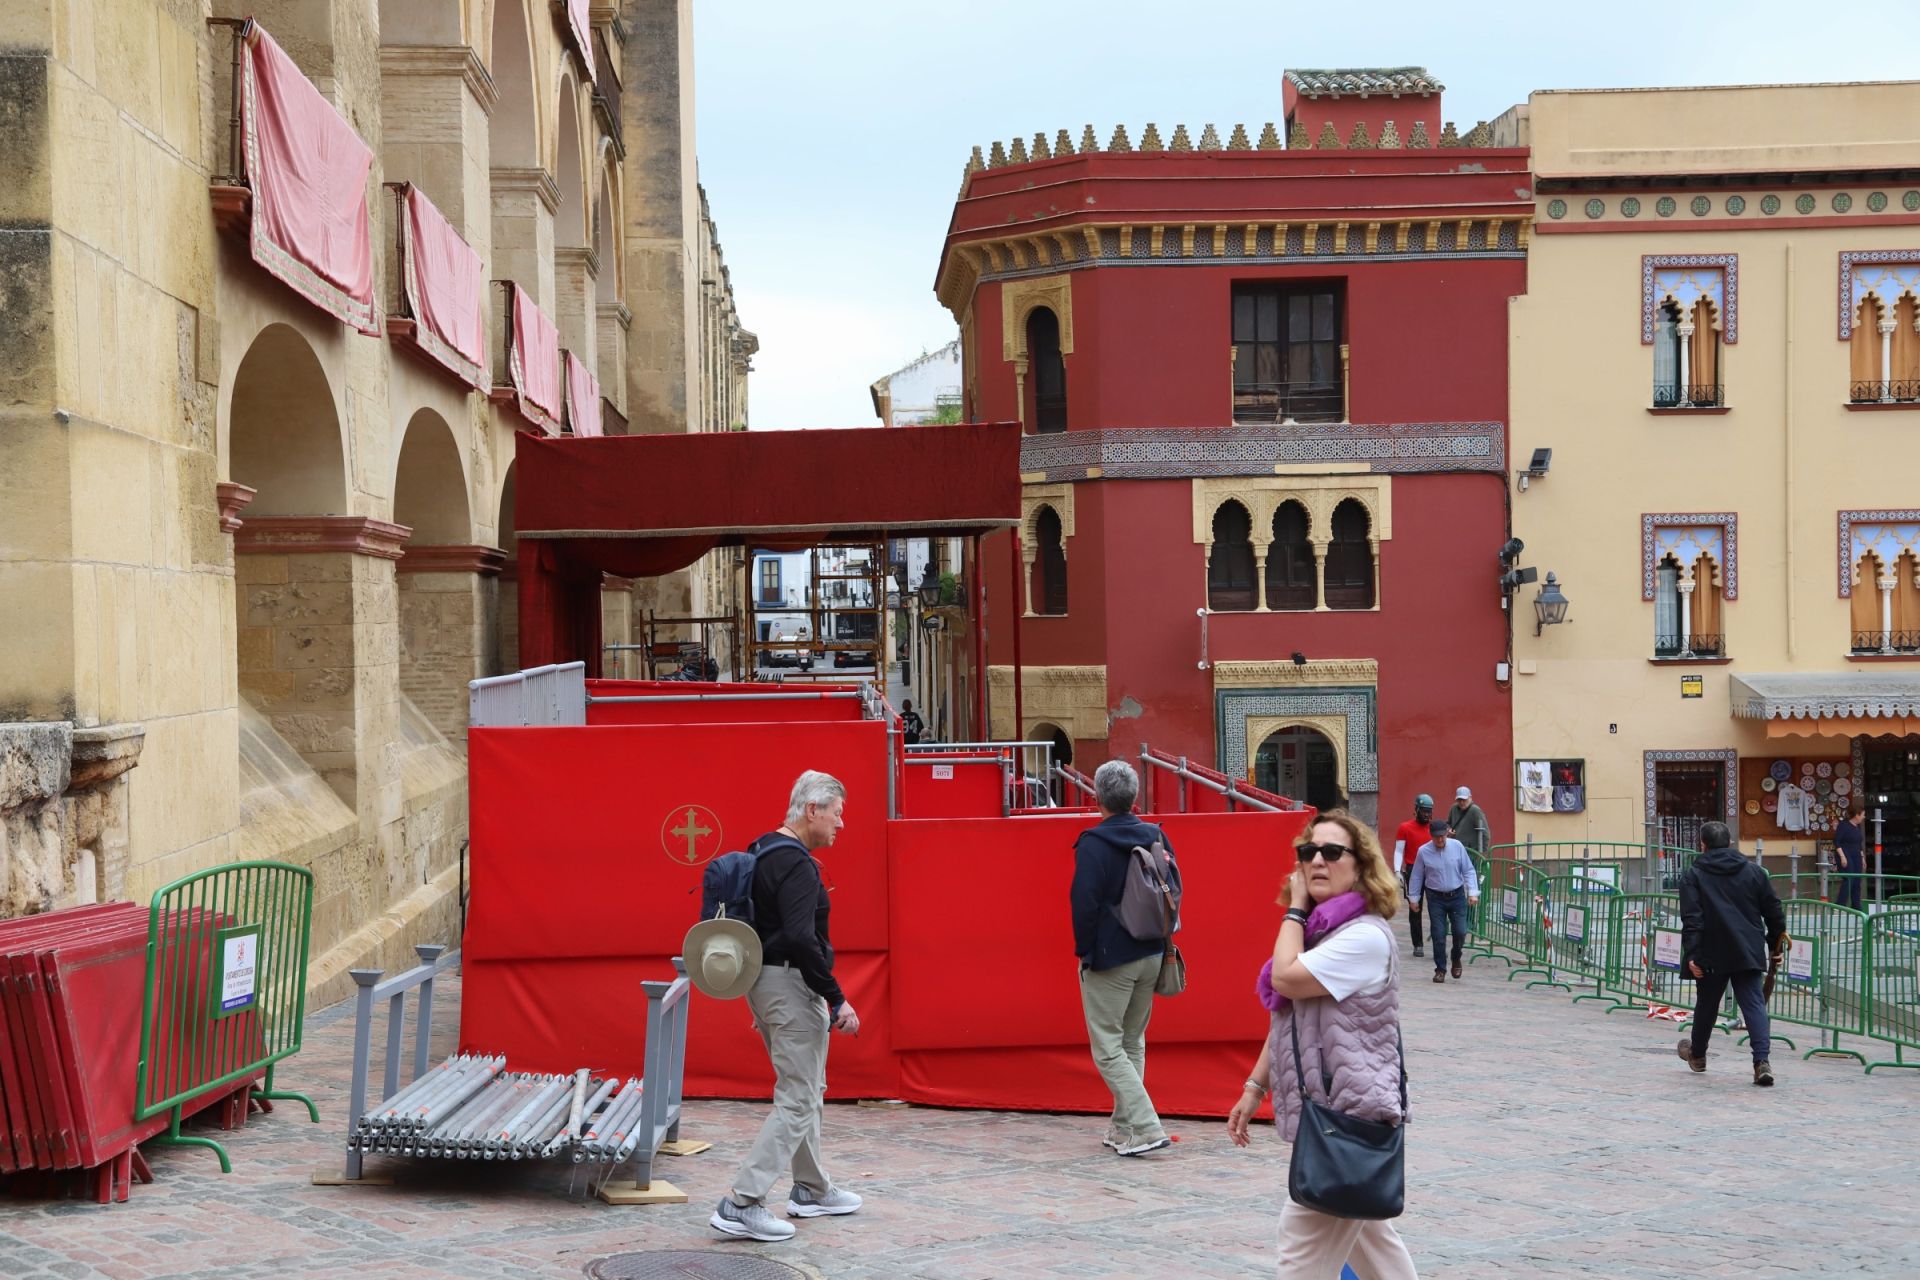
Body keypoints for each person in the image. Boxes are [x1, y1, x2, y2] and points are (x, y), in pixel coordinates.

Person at [1226, 812, 1417, 1279]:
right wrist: (1254, 1086)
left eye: (1332, 852)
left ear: (1361, 866)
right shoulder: (1323, 935)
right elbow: (1289, 1018)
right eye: (1307, 852)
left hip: (1349, 1118)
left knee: (1301, 1244)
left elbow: (1286, 979)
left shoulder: (1364, 937)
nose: (1316, 861)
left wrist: (1294, 909)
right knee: (1374, 1249)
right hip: (1334, 1118)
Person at [711, 771, 865, 1243]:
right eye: (837, 813)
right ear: (812, 810)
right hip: (790, 986)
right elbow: (801, 938)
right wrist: (836, 997)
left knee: (806, 1088)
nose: (841, 823)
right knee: (798, 1096)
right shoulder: (797, 864)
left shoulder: (762, 848)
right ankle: (742, 1203)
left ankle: (812, 1189)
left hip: (764, 982)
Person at [1071, 759, 1180, 1157]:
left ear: (1096, 797)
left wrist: (1085, 951)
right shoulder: (1157, 836)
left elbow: (1084, 904)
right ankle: (1123, 1128)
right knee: (1132, 1041)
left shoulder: (1093, 843)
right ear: (1135, 798)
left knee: (1107, 1047)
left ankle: (1147, 1127)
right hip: (1152, 951)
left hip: (1110, 956)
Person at [1678, 821, 1788, 1086]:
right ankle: (1761, 1061)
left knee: (1707, 1003)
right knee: (1753, 1003)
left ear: (1702, 845)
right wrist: (1775, 944)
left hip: (1711, 949)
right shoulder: (1754, 872)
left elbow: (1692, 918)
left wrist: (1692, 954)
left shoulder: (1693, 875)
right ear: (1730, 843)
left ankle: (1698, 1055)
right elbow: (1774, 911)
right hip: (1746, 947)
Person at [1407, 819, 1479, 983]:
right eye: (1436, 837)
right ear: (1431, 836)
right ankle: (1440, 969)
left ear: (1447, 833)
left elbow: (1468, 870)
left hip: (1457, 895)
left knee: (1460, 931)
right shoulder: (1423, 851)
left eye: (1442, 836)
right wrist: (1414, 898)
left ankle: (1456, 957)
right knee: (1438, 934)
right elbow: (1417, 876)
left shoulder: (1457, 846)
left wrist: (1473, 892)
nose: (1440, 840)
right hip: (1435, 897)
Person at [1391, 794, 1436, 959]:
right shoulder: (1405, 827)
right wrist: (1397, 871)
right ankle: (1418, 944)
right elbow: (1399, 851)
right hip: (1413, 871)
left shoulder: (1435, 828)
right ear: (1416, 810)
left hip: (1432, 871)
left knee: (1436, 909)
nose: (1426, 815)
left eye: (1429, 811)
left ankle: (1438, 943)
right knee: (1415, 908)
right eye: (1423, 811)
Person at [1834, 804, 1866, 912]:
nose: (1863, 817)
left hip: (1856, 854)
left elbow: (1859, 844)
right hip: (1845, 853)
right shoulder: (1843, 825)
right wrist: (1842, 857)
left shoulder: (1857, 827)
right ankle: (1840, 905)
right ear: (1857, 815)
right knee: (1849, 878)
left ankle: (1856, 905)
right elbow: (1837, 842)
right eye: (1862, 815)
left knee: (1857, 880)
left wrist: (1862, 858)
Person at [1445, 785, 1490, 856]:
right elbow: (1448, 823)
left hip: (1471, 852)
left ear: (1470, 798)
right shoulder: (1453, 808)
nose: (1462, 802)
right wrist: (1448, 829)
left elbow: (1485, 834)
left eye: (1464, 800)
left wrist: (1482, 854)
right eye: (1459, 800)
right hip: (1456, 849)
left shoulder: (1475, 811)